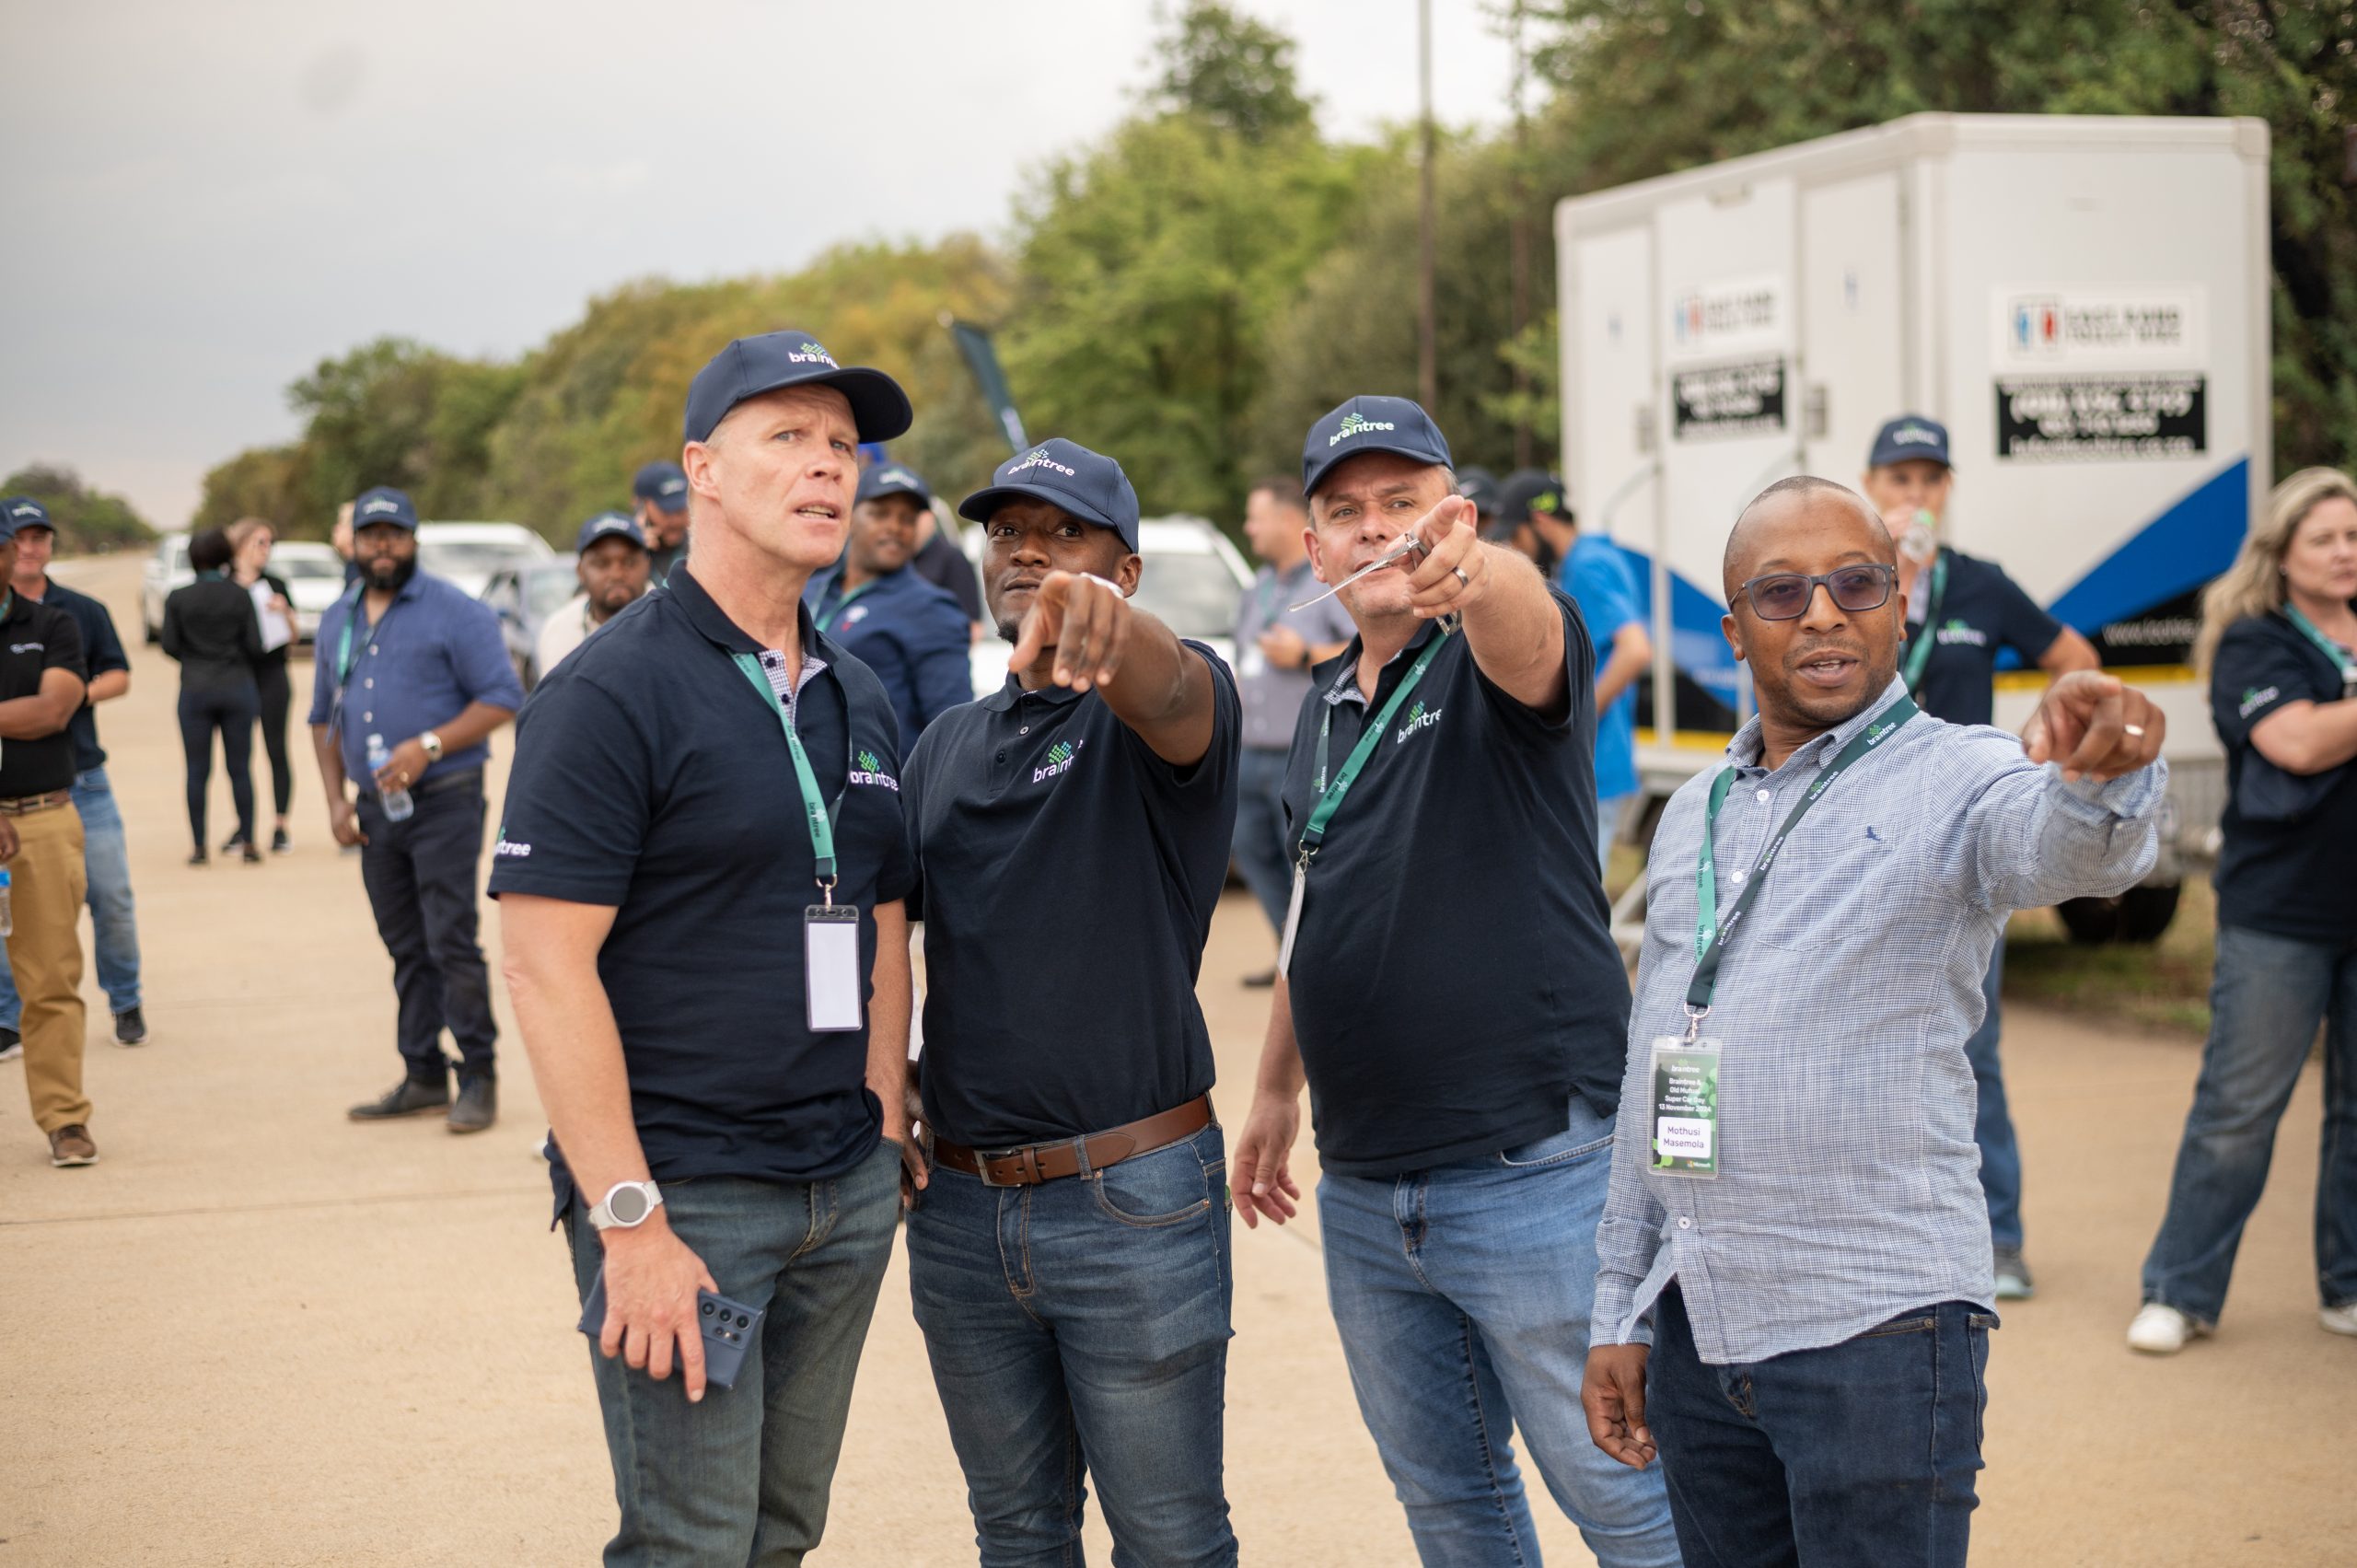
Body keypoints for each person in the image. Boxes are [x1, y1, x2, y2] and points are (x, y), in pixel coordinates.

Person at [1581, 476, 2165, 1568]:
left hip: (1876, 1333)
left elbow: (2070, 842)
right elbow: (1653, 1060)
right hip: (1696, 1324)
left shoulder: (1963, 775)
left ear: (1899, 606)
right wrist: (1619, 1305)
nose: (1820, 612)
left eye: (1855, 583)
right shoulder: (1695, 812)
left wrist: (2107, 774)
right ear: (1732, 629)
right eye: (1780, 590)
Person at [1229, 397, 1681, 1568]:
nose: (1377, 530)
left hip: (1536, 1172)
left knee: (1626, 1494)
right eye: (1346, 513)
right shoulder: (1324, 711)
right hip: (1371, 1190)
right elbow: (1312, 909)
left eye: (1403, 504)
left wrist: (1474, 576)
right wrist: (1276, 1089)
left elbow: (1525, 625)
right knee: (1455, 1509)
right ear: (1314, 551)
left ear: (1455, 516)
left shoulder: (1499, 657)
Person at [495, 329, 917, 1563]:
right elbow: (541, 964)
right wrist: (629, 1218)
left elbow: (881, 913)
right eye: (787, 435)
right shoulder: (607, 693)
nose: (828, 466)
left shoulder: (859, 689)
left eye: (843, 444)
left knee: (782, 1530)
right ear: (703, 473)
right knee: (691, 1540)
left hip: (838, 1188)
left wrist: (884, 1117)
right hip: (688, 1199)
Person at [900, 436, 1243, 1566]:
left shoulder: (1163, 710)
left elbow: (1169, 684)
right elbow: (883, 943)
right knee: (1015, 1534)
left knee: (1170, 1539)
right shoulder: (942, 744)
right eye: (1005, 532)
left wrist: (1109, 630)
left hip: (1131, 1198)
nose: (1026, 553)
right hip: (958, 1210)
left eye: (1063, 534)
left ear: (1125, 571)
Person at [1858, 413, 2100, 1301]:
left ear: (1946, 491)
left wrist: (2049, 741)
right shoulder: (1849, 585)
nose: (1913, 495)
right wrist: (1892, 579)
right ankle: (1873, 1228)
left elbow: (2073, 658)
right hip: (1857, 827)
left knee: (1974, 1040)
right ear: (1869, 486)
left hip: (1957, 833)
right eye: (1897, 479)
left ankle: (2000, 1236)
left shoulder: (1982, 585)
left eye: (1929, 480)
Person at [2130, 467, 2357, 1353]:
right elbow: (2295, 742)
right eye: (2326, 538)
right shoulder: (2254, 641)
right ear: (2282, 554)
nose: (2345, 552)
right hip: (2280, 915)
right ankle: (2180, 1289)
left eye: (2354, 536)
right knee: (2239, 1109)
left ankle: (2347, 1285)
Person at [309, 486, 522, 1133]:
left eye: (393, 534)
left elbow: (503, 697)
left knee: (449, 937)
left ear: (413, 540)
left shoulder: (456, 611)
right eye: (371, 535)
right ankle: (423, 1072)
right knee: (404, 943)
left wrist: (429, 745)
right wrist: (336, 803)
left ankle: (478, 1074)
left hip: (445, 799)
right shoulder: (337, 617)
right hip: (375, 809)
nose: (381, 546)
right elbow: (323, 718)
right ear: (353, 543)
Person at [0, 498, 146, 1050]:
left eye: (41, 538)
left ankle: (126, 1000)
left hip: (82, 779)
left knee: (111, 896)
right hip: (12, 791)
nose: (31, 548)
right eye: (21, 538)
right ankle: (9, 1018)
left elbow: (118, 675)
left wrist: (72, 691)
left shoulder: (77, 611)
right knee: (9, 911)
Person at [1229, 474, 1353, 986]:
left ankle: (1324, 963)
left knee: (1310, 865)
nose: (1247, 527)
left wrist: (1303, 654)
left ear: (1286, 520)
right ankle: (1291, 961)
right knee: (1252, 851)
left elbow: (1368, 653)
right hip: (1249, 750)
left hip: (1303, 752)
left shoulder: (1329, 582)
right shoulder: (1257, 588)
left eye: (1256, 516)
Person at [0, 502, 93, 1166]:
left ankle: (64, 1119)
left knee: (51, 979)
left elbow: (54, 708)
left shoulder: (53, 623)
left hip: (43, 821)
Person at [1501, 470, 1655, 870]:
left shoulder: (1586, 565)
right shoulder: (1594, 556)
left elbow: (1635, 649)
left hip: (1594, 764)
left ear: (1539, 522)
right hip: (1597, 762)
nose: (1517, 551)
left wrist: (1577, 716)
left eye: (1517, 537)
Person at [803, 462, 973, 741]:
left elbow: (952, 732)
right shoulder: (808, 588)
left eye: (907, 519)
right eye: (880, 514)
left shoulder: (932, 610)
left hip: (876, 778)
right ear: (850, 515)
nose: (895, 527)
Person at [161, 528, 263, 865]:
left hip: (195, 688)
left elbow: (170, 645)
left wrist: (195, 659)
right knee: (240, 769)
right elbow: (254, 644)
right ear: (224, 556)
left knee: (196, 770)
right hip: (236, 686)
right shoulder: (239, 594)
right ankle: (248, 842)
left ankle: (199, 847)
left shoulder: (179, 597)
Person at [226, 518, 298, 854]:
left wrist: (284, 612)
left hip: (273, 675)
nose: (266, 550)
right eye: (260, 542)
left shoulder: (276, 584)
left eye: (270, 543)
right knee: (239, 756)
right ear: (240, 545)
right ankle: (244, 824)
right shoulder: (226, 586)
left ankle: (281, 824)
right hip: (238, 677)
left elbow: (295, 637)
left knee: (276, 750)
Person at [536, 511, 652, 678]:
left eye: (629, 562)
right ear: (580, 572)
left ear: (647, 565)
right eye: (601, 564)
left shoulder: (674, 624)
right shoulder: (558, 630)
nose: (616, 574)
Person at [909, 495, 986, 640]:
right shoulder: (898, 559)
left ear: (930, 516)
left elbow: (974, 627)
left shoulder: (953, 558)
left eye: (914, 515)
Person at [633, 460, 691, 587]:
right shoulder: (627, 553)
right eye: (666, 511)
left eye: (680, 510)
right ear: (640, 507)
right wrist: (634, 555)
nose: (675, 520)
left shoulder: (702, 548)